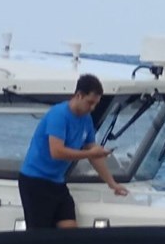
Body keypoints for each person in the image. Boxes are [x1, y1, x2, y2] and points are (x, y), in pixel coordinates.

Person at [17, 74, 128, 228]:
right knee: (39, 237)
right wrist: (91, 153)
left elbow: (93, 153)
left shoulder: (86, 119)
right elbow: (57, 152)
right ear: (78, 95)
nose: (92, 108)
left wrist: (112, 183)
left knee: (69, 228)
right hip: (35, 181)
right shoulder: (59, 114)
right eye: (90, 103)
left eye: (95, 104)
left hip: (57, 182)